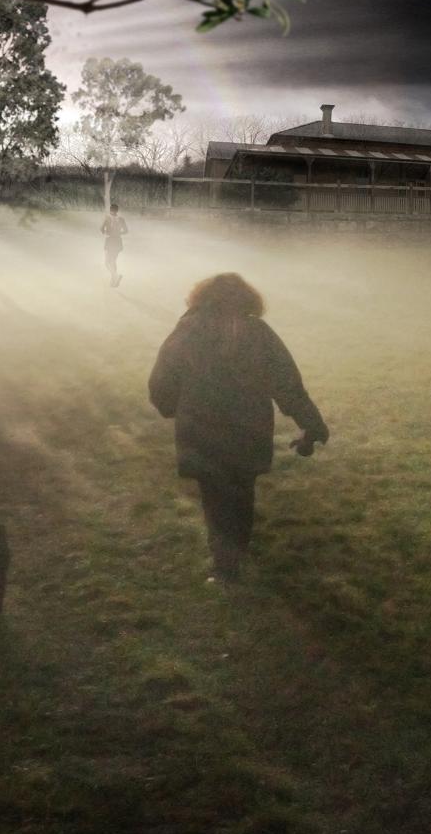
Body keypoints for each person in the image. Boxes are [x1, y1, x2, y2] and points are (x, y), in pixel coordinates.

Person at [148, 273, 329, 582]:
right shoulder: (258, 333)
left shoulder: (188, 330)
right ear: (247, 299)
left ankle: (224, 566)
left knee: (215, 497)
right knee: (242, 492)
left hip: (202, 429)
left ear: (202, 298)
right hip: (249, 427)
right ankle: (236, 552)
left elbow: (162, 379)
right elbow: (288, 384)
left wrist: (170, 407)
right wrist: (311, 426)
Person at [101, 202, 127, 287]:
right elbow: (126, 231)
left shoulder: (107, 218)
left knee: (107, 262)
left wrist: (106, 232)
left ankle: (115, 276)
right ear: (117, 210)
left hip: (110, 241)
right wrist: (118, 233)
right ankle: (113, 281)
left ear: (110, 210)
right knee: (113, 261)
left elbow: (101, 229)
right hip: (118, 241)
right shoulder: (121, 219)